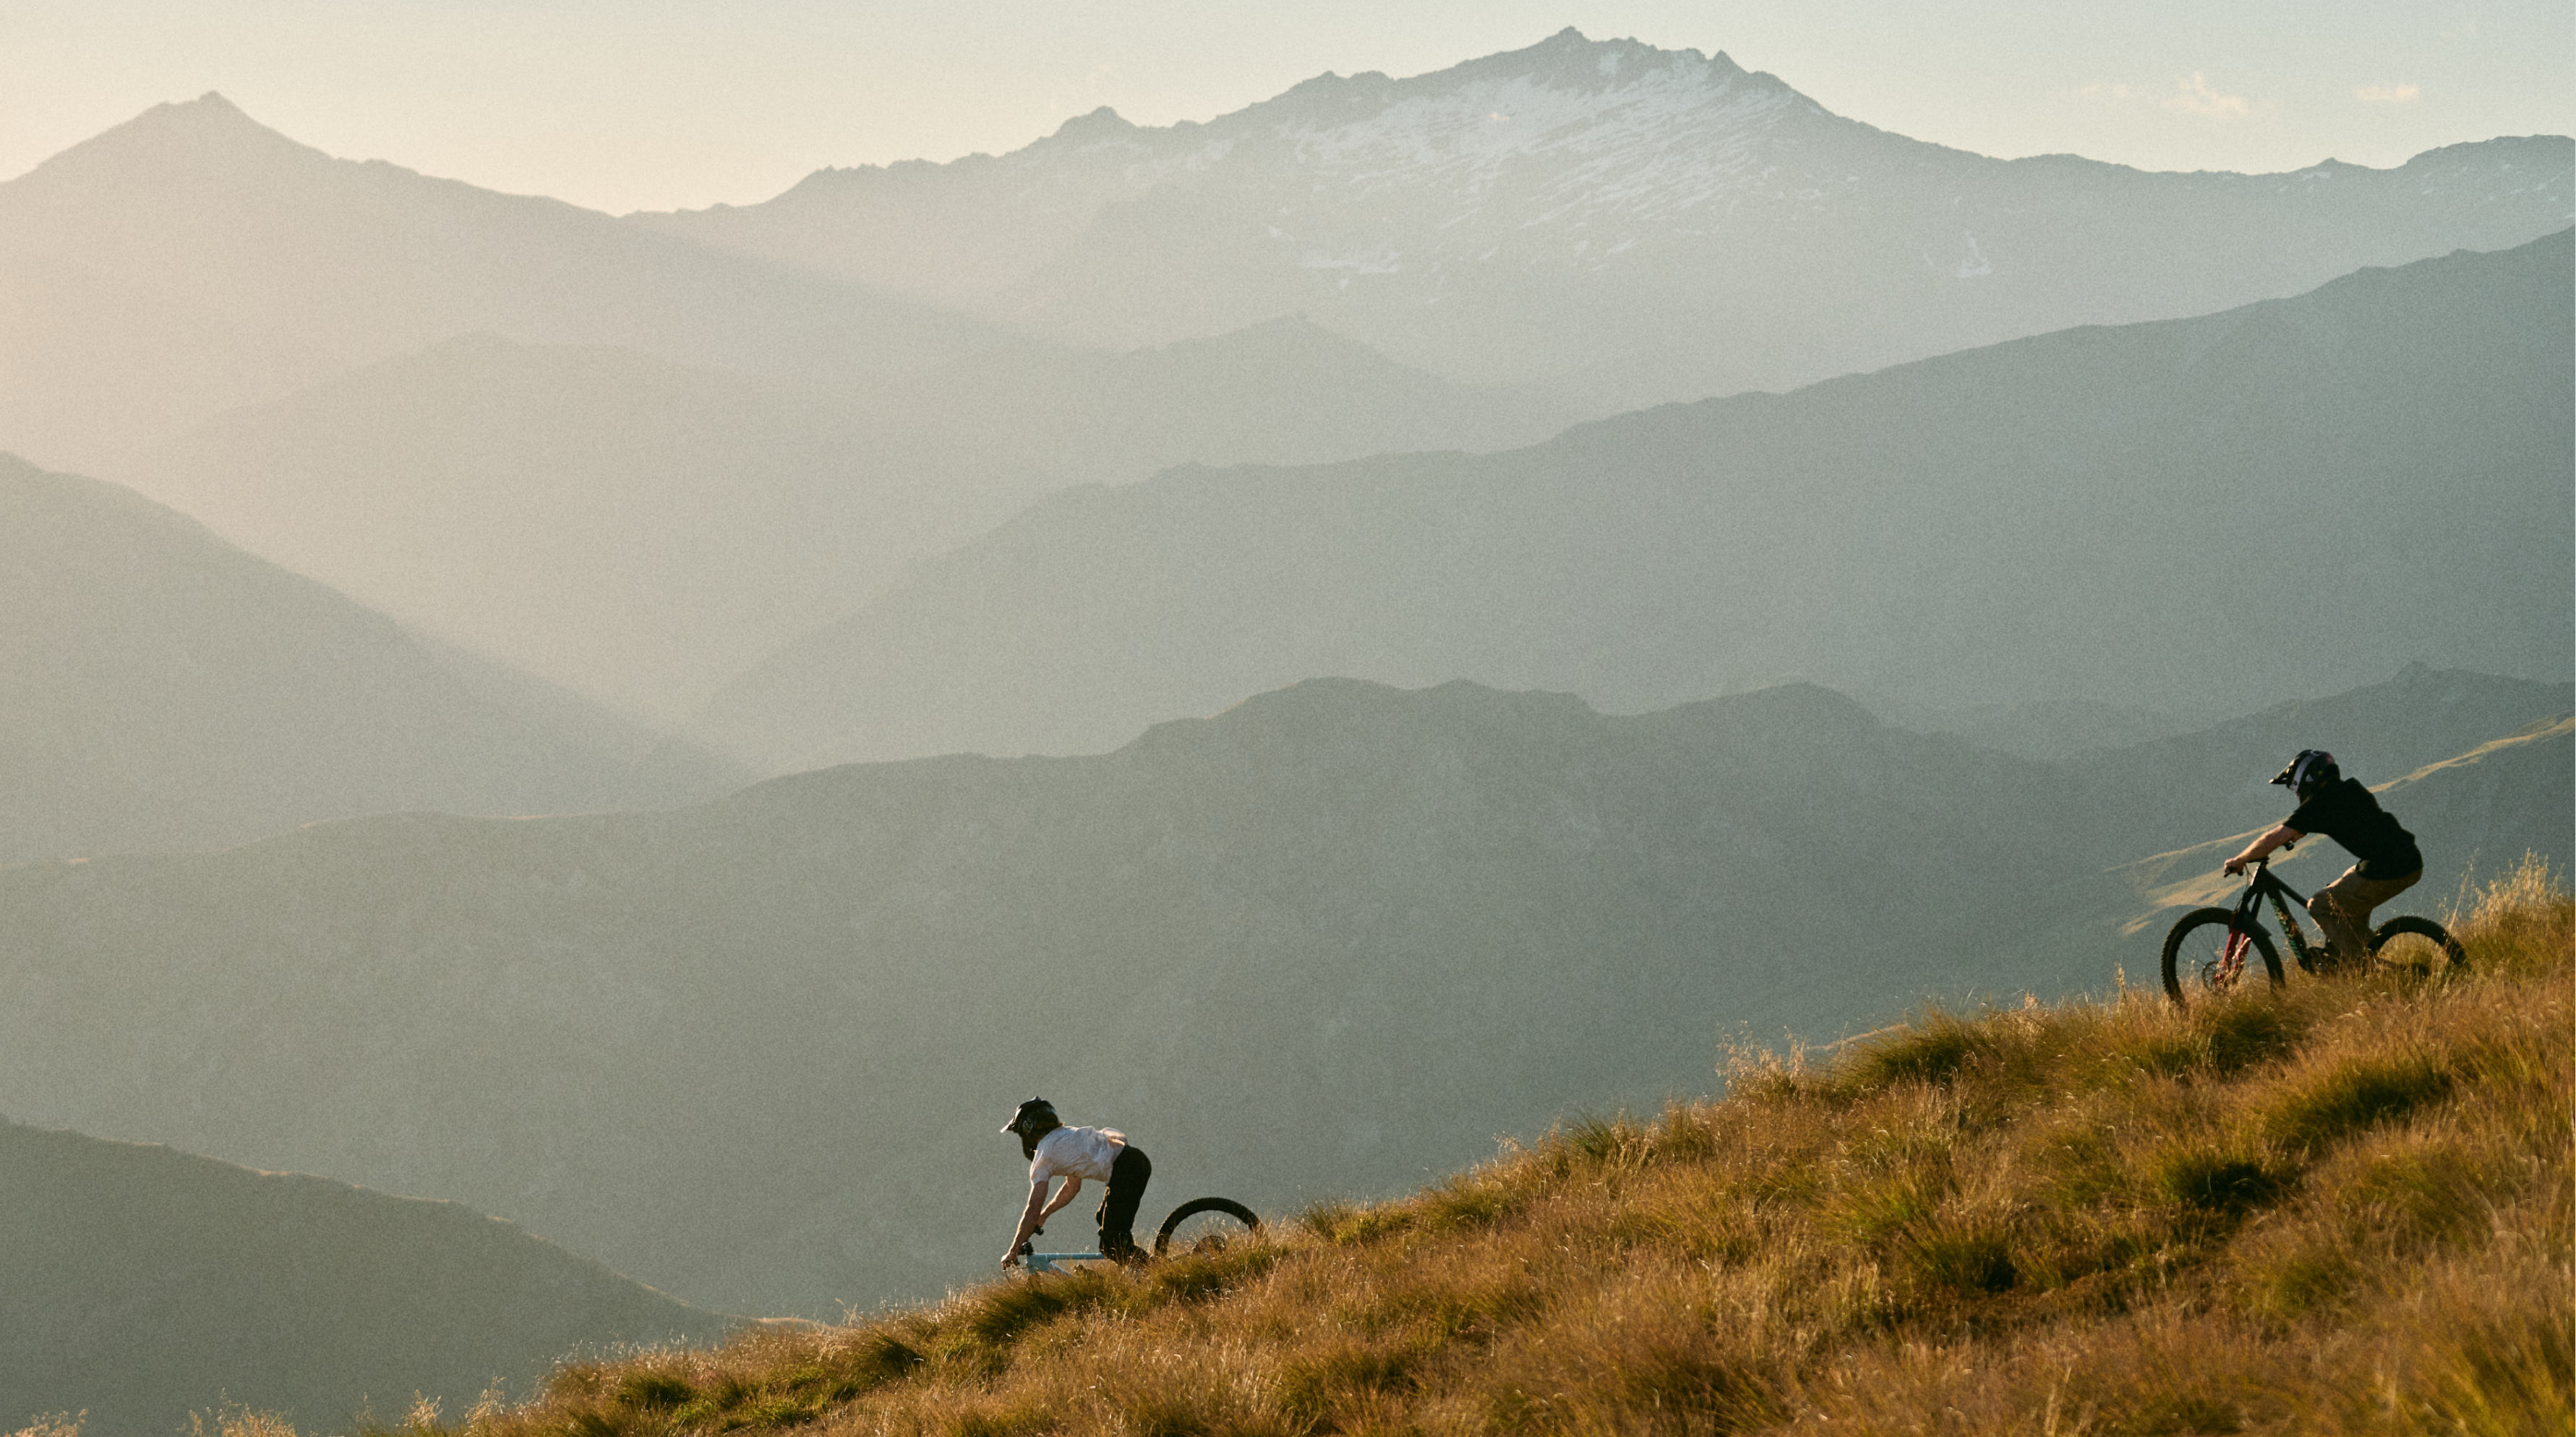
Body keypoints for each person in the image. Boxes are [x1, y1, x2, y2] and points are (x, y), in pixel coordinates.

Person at [2223, 749, 2424, 969]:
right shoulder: (2347, 790)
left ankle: (2366, 968)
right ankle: (2355, 958)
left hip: (2387, 868)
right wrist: (2299, 831)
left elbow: (2275, 837)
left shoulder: (2319, 802)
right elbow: (2346, 818)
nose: (2297, 794)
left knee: (2319, 905)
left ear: (2305, 778)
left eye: (2294, 787)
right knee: (2338, 893)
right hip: (2406, 859)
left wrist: (2241, 859)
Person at [998, 1097, 1152, 1267]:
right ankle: (1137, 1270)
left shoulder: (1044, 1154)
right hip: (1134, 1161)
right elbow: (1072, 1187)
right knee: (1104, 1219)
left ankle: (1158, 1271)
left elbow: (1031, 1210)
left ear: (1028, 1131)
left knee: (1111, 1246)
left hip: (1126, 1170)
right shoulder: (1065, 1137)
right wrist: (1044, 1215)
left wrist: (1013, 1251)